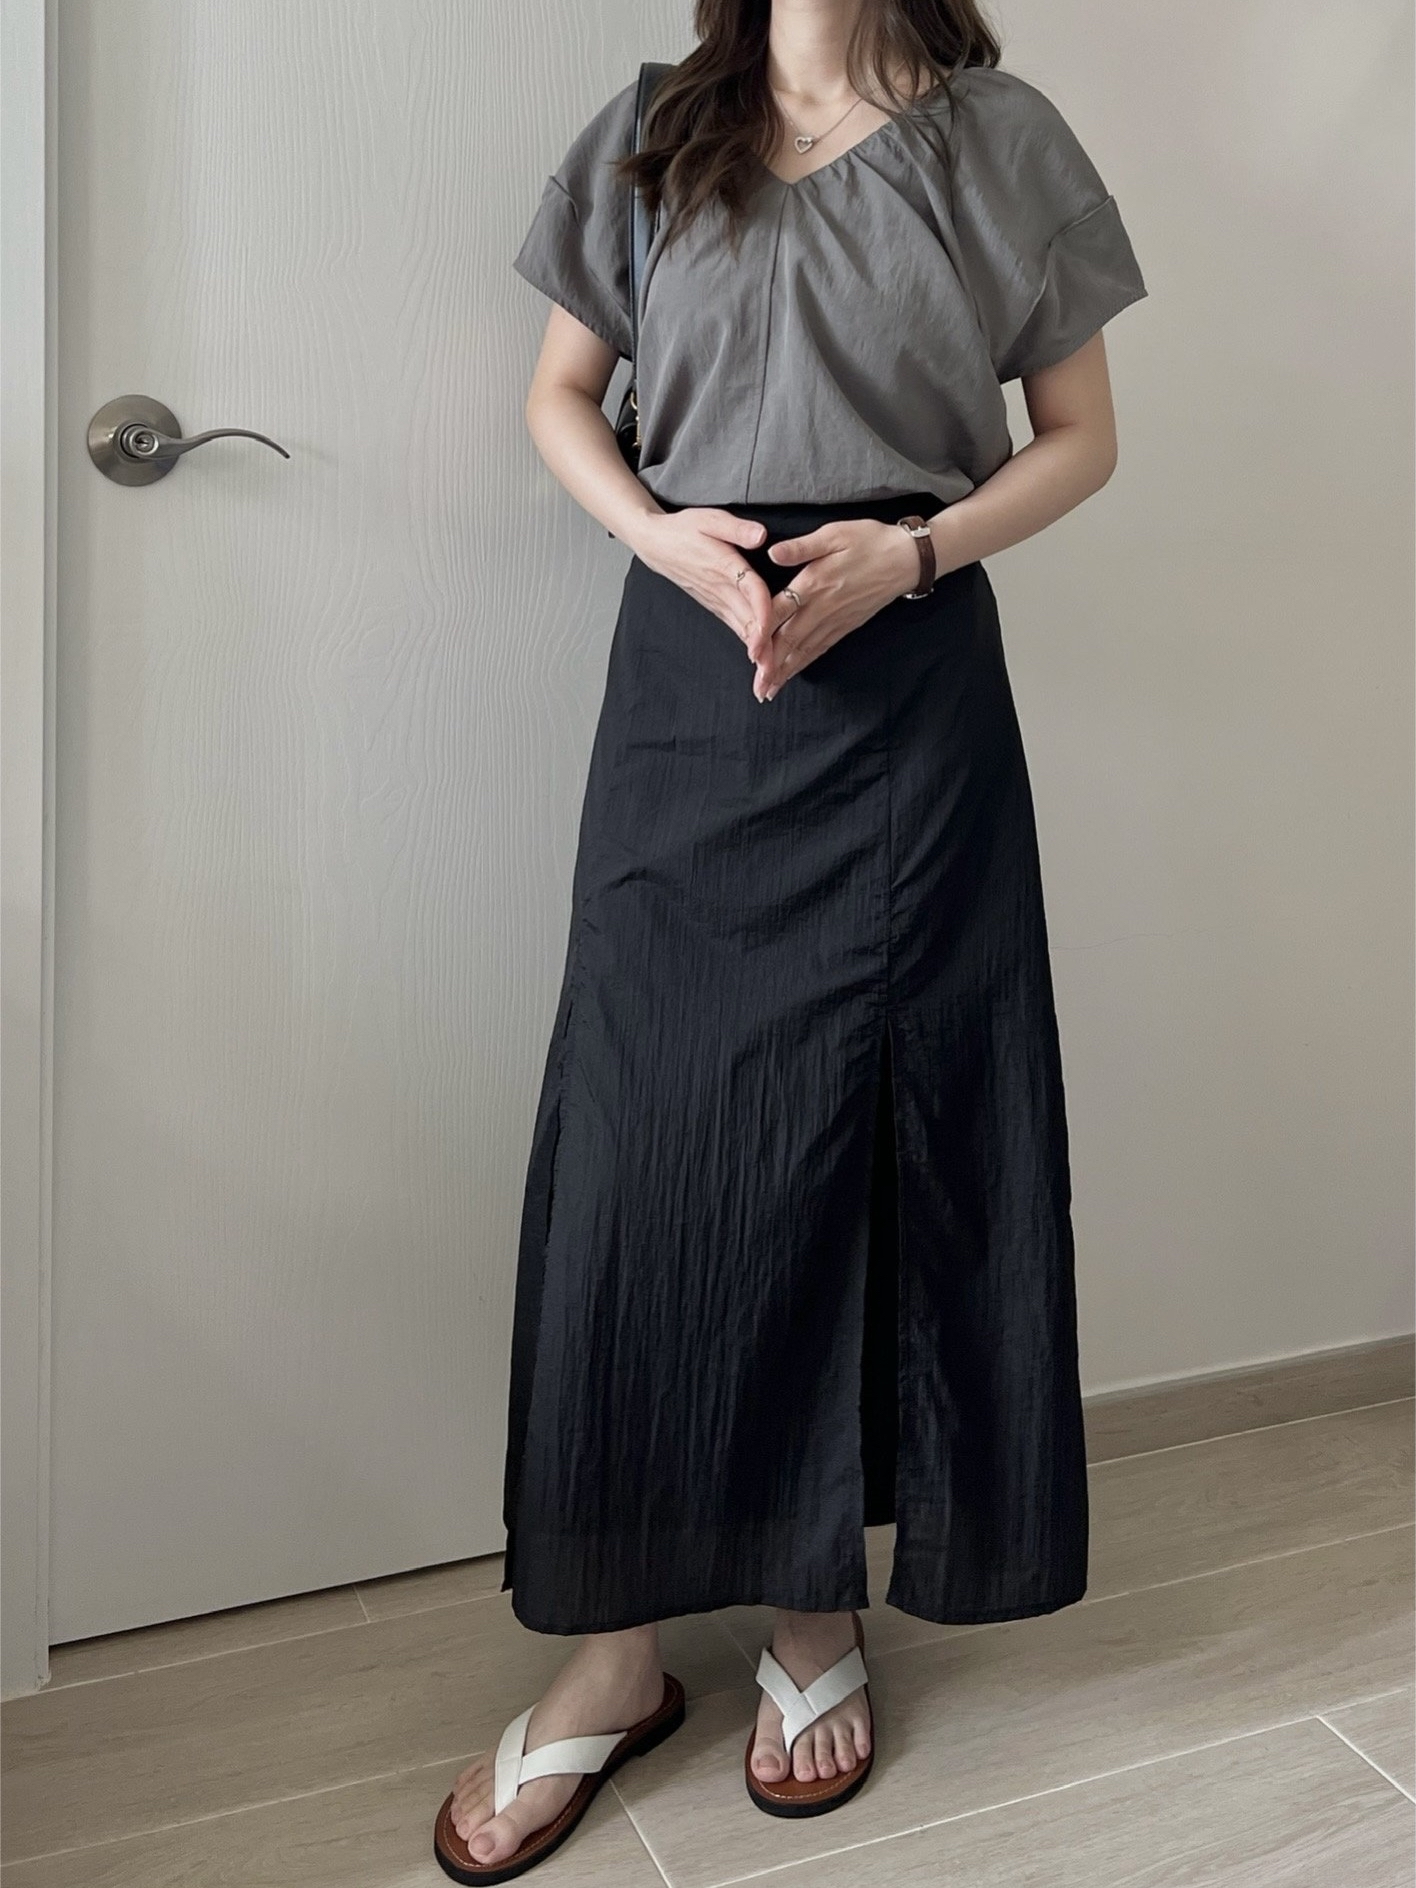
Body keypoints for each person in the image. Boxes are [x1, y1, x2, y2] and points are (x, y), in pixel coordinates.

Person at [434, 1, 1147, 1879]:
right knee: (644, 1148)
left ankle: (815, 1609)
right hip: (692, 669)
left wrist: (913, 555)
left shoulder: (1003, 138)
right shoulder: (656, 126)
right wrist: (660, 536)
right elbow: (560, 396)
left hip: (904, 666)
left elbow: (1081, 438)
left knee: (856, 1141)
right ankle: (615, 1647)